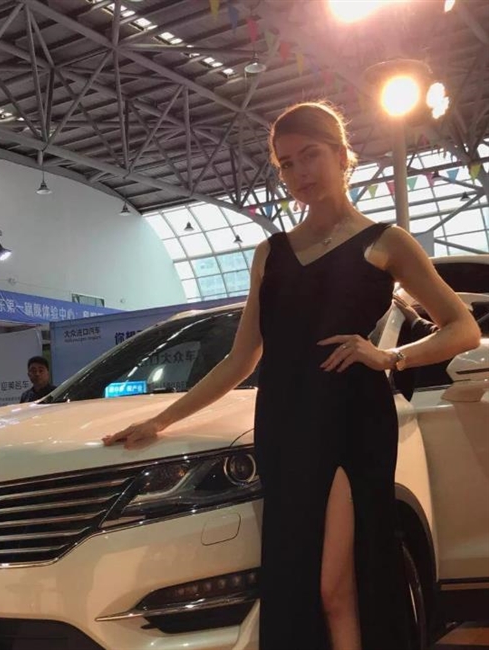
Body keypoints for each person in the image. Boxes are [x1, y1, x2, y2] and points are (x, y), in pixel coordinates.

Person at [103, 101, 480, 650]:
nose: (300, 172)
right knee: (296, 577)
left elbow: (462, 328)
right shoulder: (270, 254)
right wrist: (160, 420)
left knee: (336, 582)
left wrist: (390, 357)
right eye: (286, 163)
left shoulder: (385, 242)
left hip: (352, 422)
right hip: (283, 427)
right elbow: (240, 359)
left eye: (311, 155)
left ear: (342, 156)